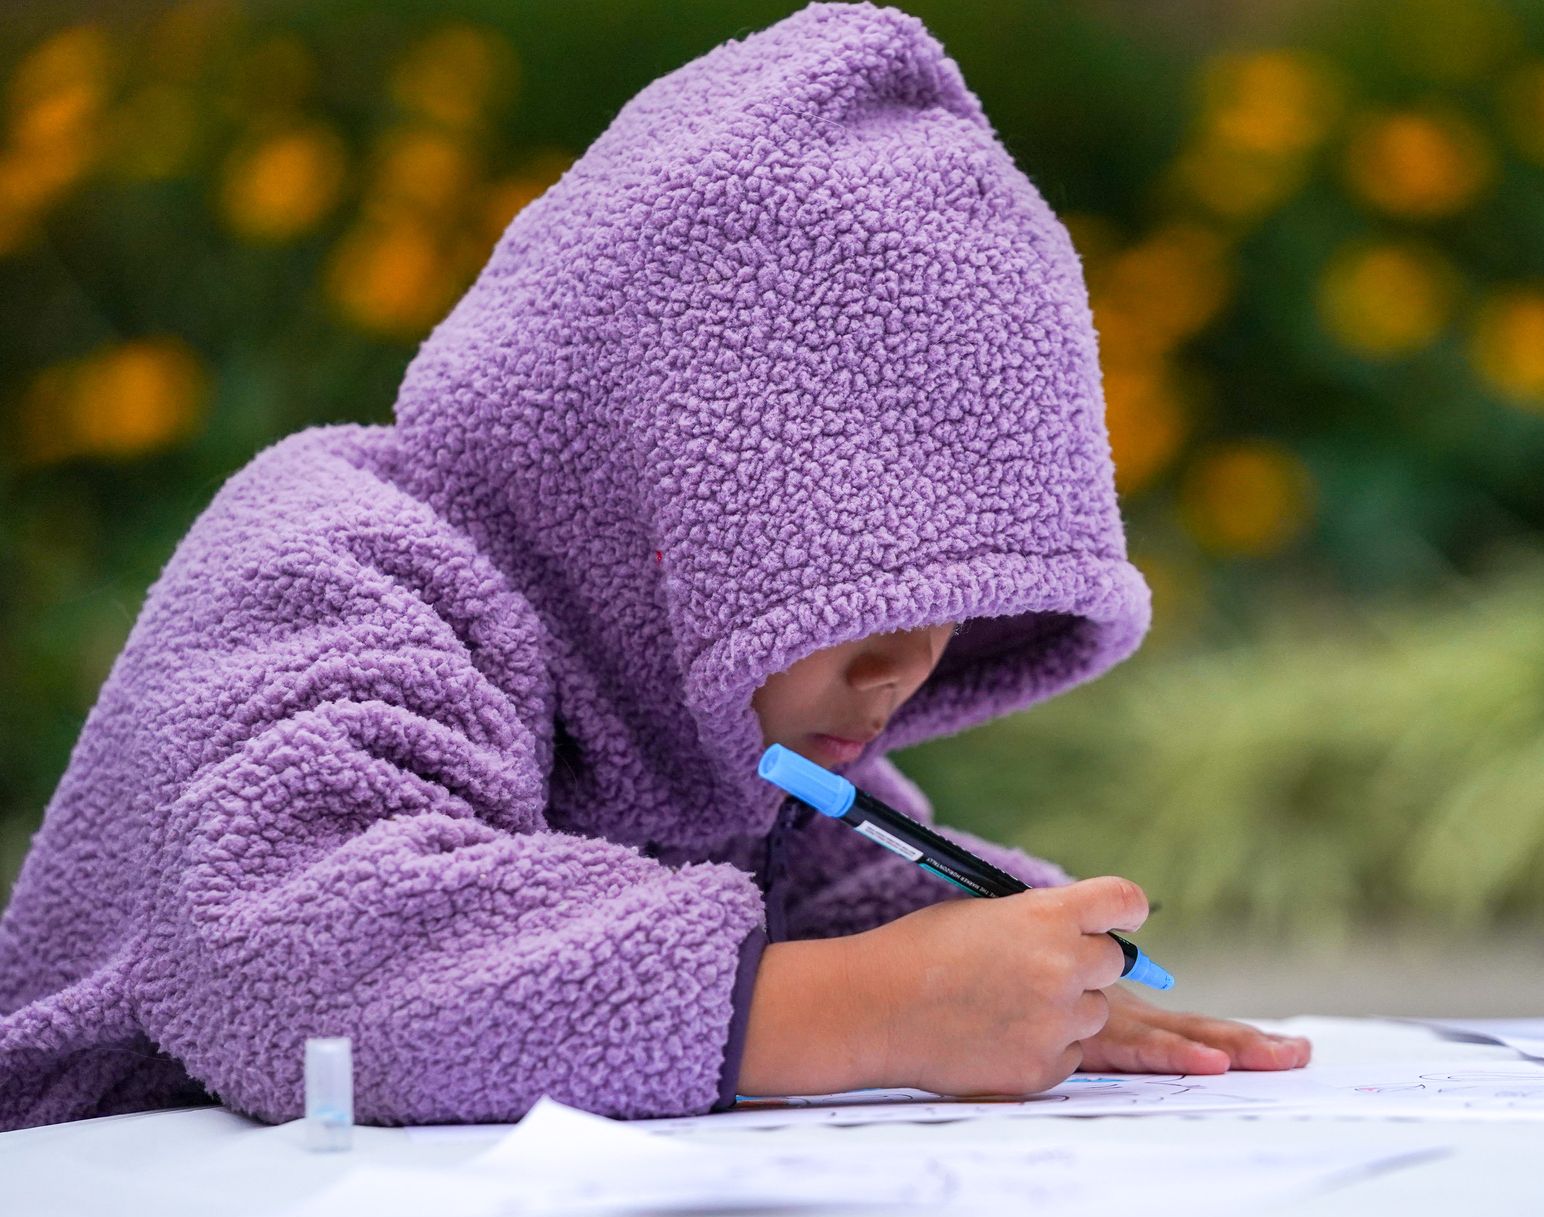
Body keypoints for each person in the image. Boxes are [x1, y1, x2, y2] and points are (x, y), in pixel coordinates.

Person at [0, 1, 1307, 1132]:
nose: (909, 662)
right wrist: (867, 1007)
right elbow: (303, 957)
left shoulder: (690, 717)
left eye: (947, 596)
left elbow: (816, 875)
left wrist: (1031, 969)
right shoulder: (338, 562)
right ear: (653, 492)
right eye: (836, 575)